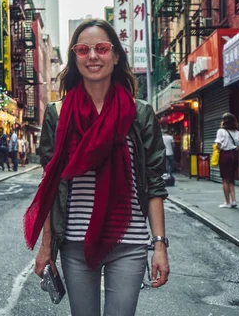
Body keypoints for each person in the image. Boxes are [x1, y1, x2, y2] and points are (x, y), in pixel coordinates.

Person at [23, 18, 170, 316]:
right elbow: (50, 185)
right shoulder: (58, 114)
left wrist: (159, 245)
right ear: (74, 58)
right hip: (75, 244)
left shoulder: (139, 114)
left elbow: (154, 184)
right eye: (83, 49)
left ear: (116, 56)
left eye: (102, 48)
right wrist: (46, 247)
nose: (92, 56)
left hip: (128, 242)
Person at [215, 113, 239, 208]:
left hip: (225, 155)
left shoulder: (221, 131)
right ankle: (234, 200)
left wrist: (222, 147)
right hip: (234, 156)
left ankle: (227, 202)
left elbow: (218, 145)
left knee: (225, 180)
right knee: (231, 179)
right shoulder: (237, 132)